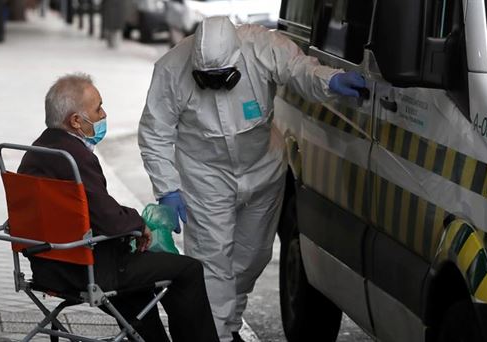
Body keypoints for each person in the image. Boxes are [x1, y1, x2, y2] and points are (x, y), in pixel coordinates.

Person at [138, 16, 365, 342]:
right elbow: (155, 133)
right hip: (205, 176)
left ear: (237, 56)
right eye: (207, 79)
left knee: (252, 257)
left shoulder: (262, 46)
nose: (215, 85)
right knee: (212, 262)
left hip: (262, 172)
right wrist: (167, 189)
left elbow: (300, 69)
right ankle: (216, 336)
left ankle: (229, 324)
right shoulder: (171, 68)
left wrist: (331, 80)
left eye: (224, 78)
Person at [18, 73, 219, 342]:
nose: (104, 114)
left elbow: (90, 209)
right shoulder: (74, 158)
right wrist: (140, 224)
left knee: (141, 278)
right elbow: (108, 220)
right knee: (188, 269)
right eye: (98, 108)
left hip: (47, 267)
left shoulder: (37, 151)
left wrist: (130, 224)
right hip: (86, 271)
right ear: (76, 121)